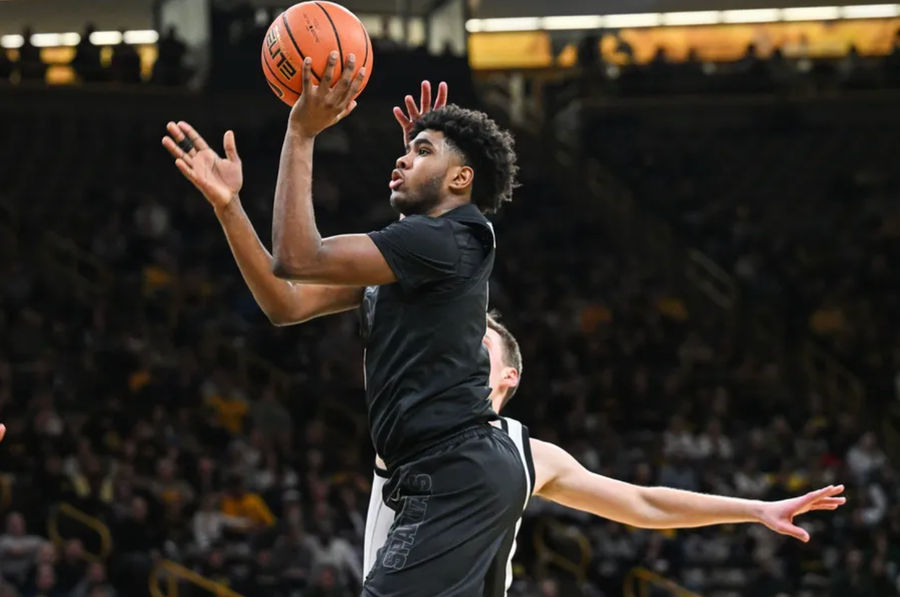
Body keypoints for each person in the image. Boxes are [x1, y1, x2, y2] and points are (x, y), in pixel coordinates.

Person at [162, 50, 524, 594]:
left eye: (421, 152)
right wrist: (230, 206)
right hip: (445, 471)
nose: (401, 159)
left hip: (455, 469)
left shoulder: (451, 239)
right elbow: (286, 303)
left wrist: (301, 132)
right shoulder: (412, 258)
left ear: (461, 178)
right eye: (406, 150)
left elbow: (297, 257)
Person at [363, 314, 847, 579]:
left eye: (480, 344)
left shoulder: (531, 454)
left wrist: (756, 509)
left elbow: (642, 502)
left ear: (509, 375)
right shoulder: (415, 417)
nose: (464, 349)